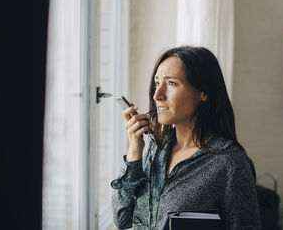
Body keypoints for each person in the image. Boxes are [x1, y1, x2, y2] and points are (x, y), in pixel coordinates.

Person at [111, 46, 261, 229]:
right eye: (157, 83)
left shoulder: (230, 164)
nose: (157, 95)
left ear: (203, 92)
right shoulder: (154, 149)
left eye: (172, 83)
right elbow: (122, 219)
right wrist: (134, 150)